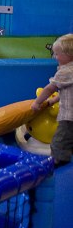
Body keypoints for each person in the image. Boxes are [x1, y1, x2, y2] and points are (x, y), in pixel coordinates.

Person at [32, 33, 73, 167]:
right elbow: (66, 90)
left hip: (69, 117)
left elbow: (50, 89)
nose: (55, 57)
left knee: (58, 142)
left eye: (57, 54)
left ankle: (57, 163)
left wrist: (37, 102)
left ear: (69, 55)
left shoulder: (66, 72)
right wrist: (53, 101)